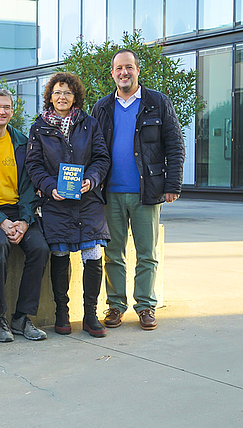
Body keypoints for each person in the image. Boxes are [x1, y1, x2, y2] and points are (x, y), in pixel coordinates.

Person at [92, 49, 185, 331]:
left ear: (137, 70)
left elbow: (175, 145)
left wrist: (173, 184)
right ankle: (115, 306)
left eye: (129, 67)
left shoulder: (157, 102)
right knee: (113, 253)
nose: (124, 73)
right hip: (111, 194)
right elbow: (92, 149)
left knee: (147, 253)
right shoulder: (102, 107)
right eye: (119, 68)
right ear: (112, 73)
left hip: (148, 192)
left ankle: (145, 306)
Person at [26, 72, 111, 338]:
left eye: (67, 93)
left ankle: (90, 315)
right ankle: (62, 314)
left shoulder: (90, 124)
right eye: (57, 92)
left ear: (76, 97)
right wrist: (51, 187)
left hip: (88, 203)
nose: (62, 97)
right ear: (49, 97)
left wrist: (91, 179)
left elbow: (101, 158)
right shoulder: (39, 127)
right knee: (60, 256)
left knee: (93, 256)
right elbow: (33, 165)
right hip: (56, 204)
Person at [0, 88, 50, 343]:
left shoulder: (20, 141)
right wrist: (1, 221)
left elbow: (28, 186)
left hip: (18, 209)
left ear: (12, 112)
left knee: (39, 248)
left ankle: (22, 317)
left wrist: (25, 221)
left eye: (6, 107)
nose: (1, 111)